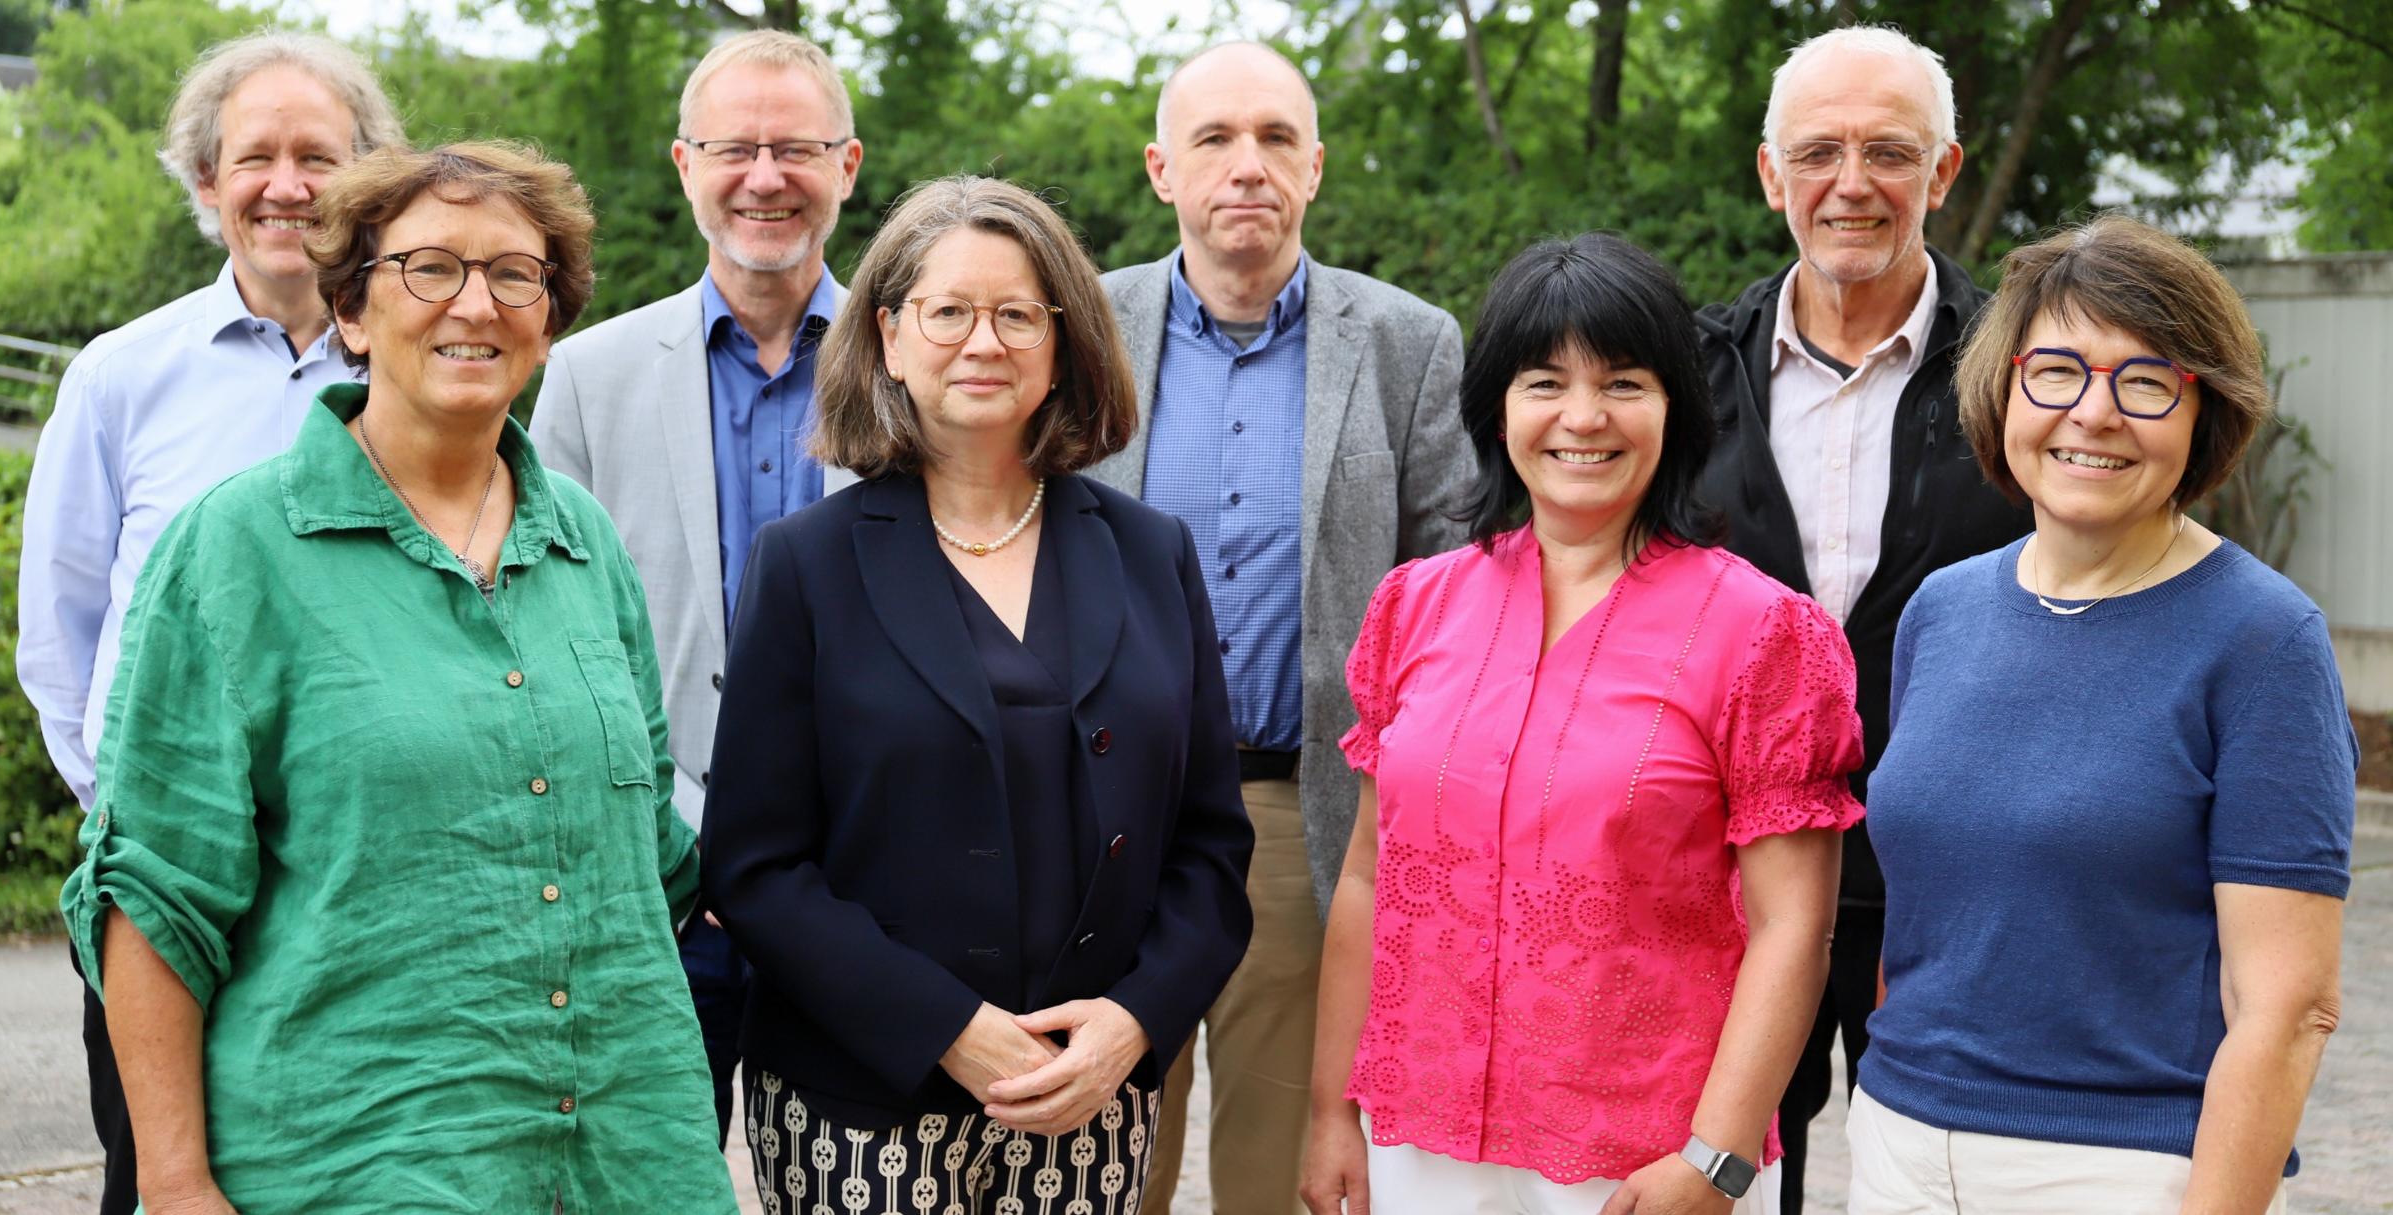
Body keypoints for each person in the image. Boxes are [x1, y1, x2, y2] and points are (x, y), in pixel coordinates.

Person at [57, 142, 738, 1214]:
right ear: (354, 316)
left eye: (517, 275)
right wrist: (177, 1184)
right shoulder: (237, 549)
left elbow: (650, 853)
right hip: (356, 1159)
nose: (477, 303)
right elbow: (154, 893)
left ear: (549, 318)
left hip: (630, 1157)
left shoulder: (587, 546)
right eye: (429, 268)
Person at [698, 174, 1254, 1214]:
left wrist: (1132, 1025)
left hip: (1084, 1094)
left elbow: (1212, 849)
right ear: (890, 340)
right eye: (947, 311)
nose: (983, 342)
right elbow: (756, 864)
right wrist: (949, 1029)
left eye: (1015, 314)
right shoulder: (803, 563)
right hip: (860, 1104)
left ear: (1063, 344)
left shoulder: (1149, 555)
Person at [1301, 232, 1863, 1215]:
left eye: (1624, 382)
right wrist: (1327, 1112)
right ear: (1496, 408)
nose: (1583, 417)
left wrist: (1719, 1159)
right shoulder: (1414, 607)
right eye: (1544, 382)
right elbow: (1364, 876)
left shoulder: (1765, 634)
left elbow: (1794, 924)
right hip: (1423, 1140)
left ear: (1677, 407)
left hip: (1648, 1157)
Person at [1850, 216, 2355, 1215]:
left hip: (2126, 1170)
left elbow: (2289, 1009)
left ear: (2200, 411)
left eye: (2146, 381)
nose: (2095, 413)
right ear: (2005, 392)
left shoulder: (2263, 641)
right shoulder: (1939, 612)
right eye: (2059, 372)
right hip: (1897, 1144)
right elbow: (1923, 910)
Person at [12, 32, 403, 1215]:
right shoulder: (122, 378)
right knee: (163, 1179)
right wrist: (132, 828)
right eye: (255, 157)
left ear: (371, 180)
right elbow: (62, 633)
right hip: (166, 892)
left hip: (362, 884)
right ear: (205, 182)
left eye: (319, 156)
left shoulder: (427, 368)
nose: (287, 185)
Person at [1094, 42, 1475, 1215]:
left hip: (1302, 813)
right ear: (1164, 170)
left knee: (1283, 1174)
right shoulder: (1080, 328)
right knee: (1102, 1162)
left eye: (1274, 138)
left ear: (1315, 165)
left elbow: (1453, 580)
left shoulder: (1410, 344)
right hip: (1104, 808)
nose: (1245, 165)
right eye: (1214, 139)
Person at [1692, 29, 2032, 1210]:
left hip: (1953, 879)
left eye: (1889, 153)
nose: (1852, 183)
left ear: (1941, 174)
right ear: (1769, 173)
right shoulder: (1682, 382)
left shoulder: (2025, 378)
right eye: (1819, 152)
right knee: (1719, 1171)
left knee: (1937, 1178)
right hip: (1724, 879)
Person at [530, 27, 861, 1142]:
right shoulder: (586, 375)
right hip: (659, 890)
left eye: (796, 149)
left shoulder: (924, 363)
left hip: (866, 890)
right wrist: (670, 844)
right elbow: (549, 632)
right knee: (651, 1181)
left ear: (847, 167)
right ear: (685, 166)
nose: (765, 177)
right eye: (734, 148)